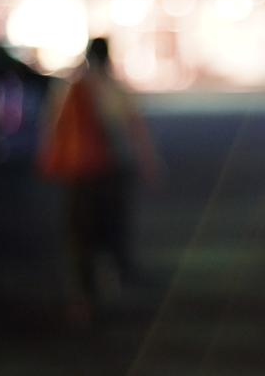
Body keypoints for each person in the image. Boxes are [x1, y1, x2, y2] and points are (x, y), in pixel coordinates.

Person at [38, 37, 159, 326]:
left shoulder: (68, 87)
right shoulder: (114, 88)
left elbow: (52, 126)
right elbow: (133, 126)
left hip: (79, 175)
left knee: (79, 235)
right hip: (110, 172)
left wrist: (51, 158)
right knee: (111, 228)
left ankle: (83, 297)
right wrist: (148, 162)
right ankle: (112, 276)